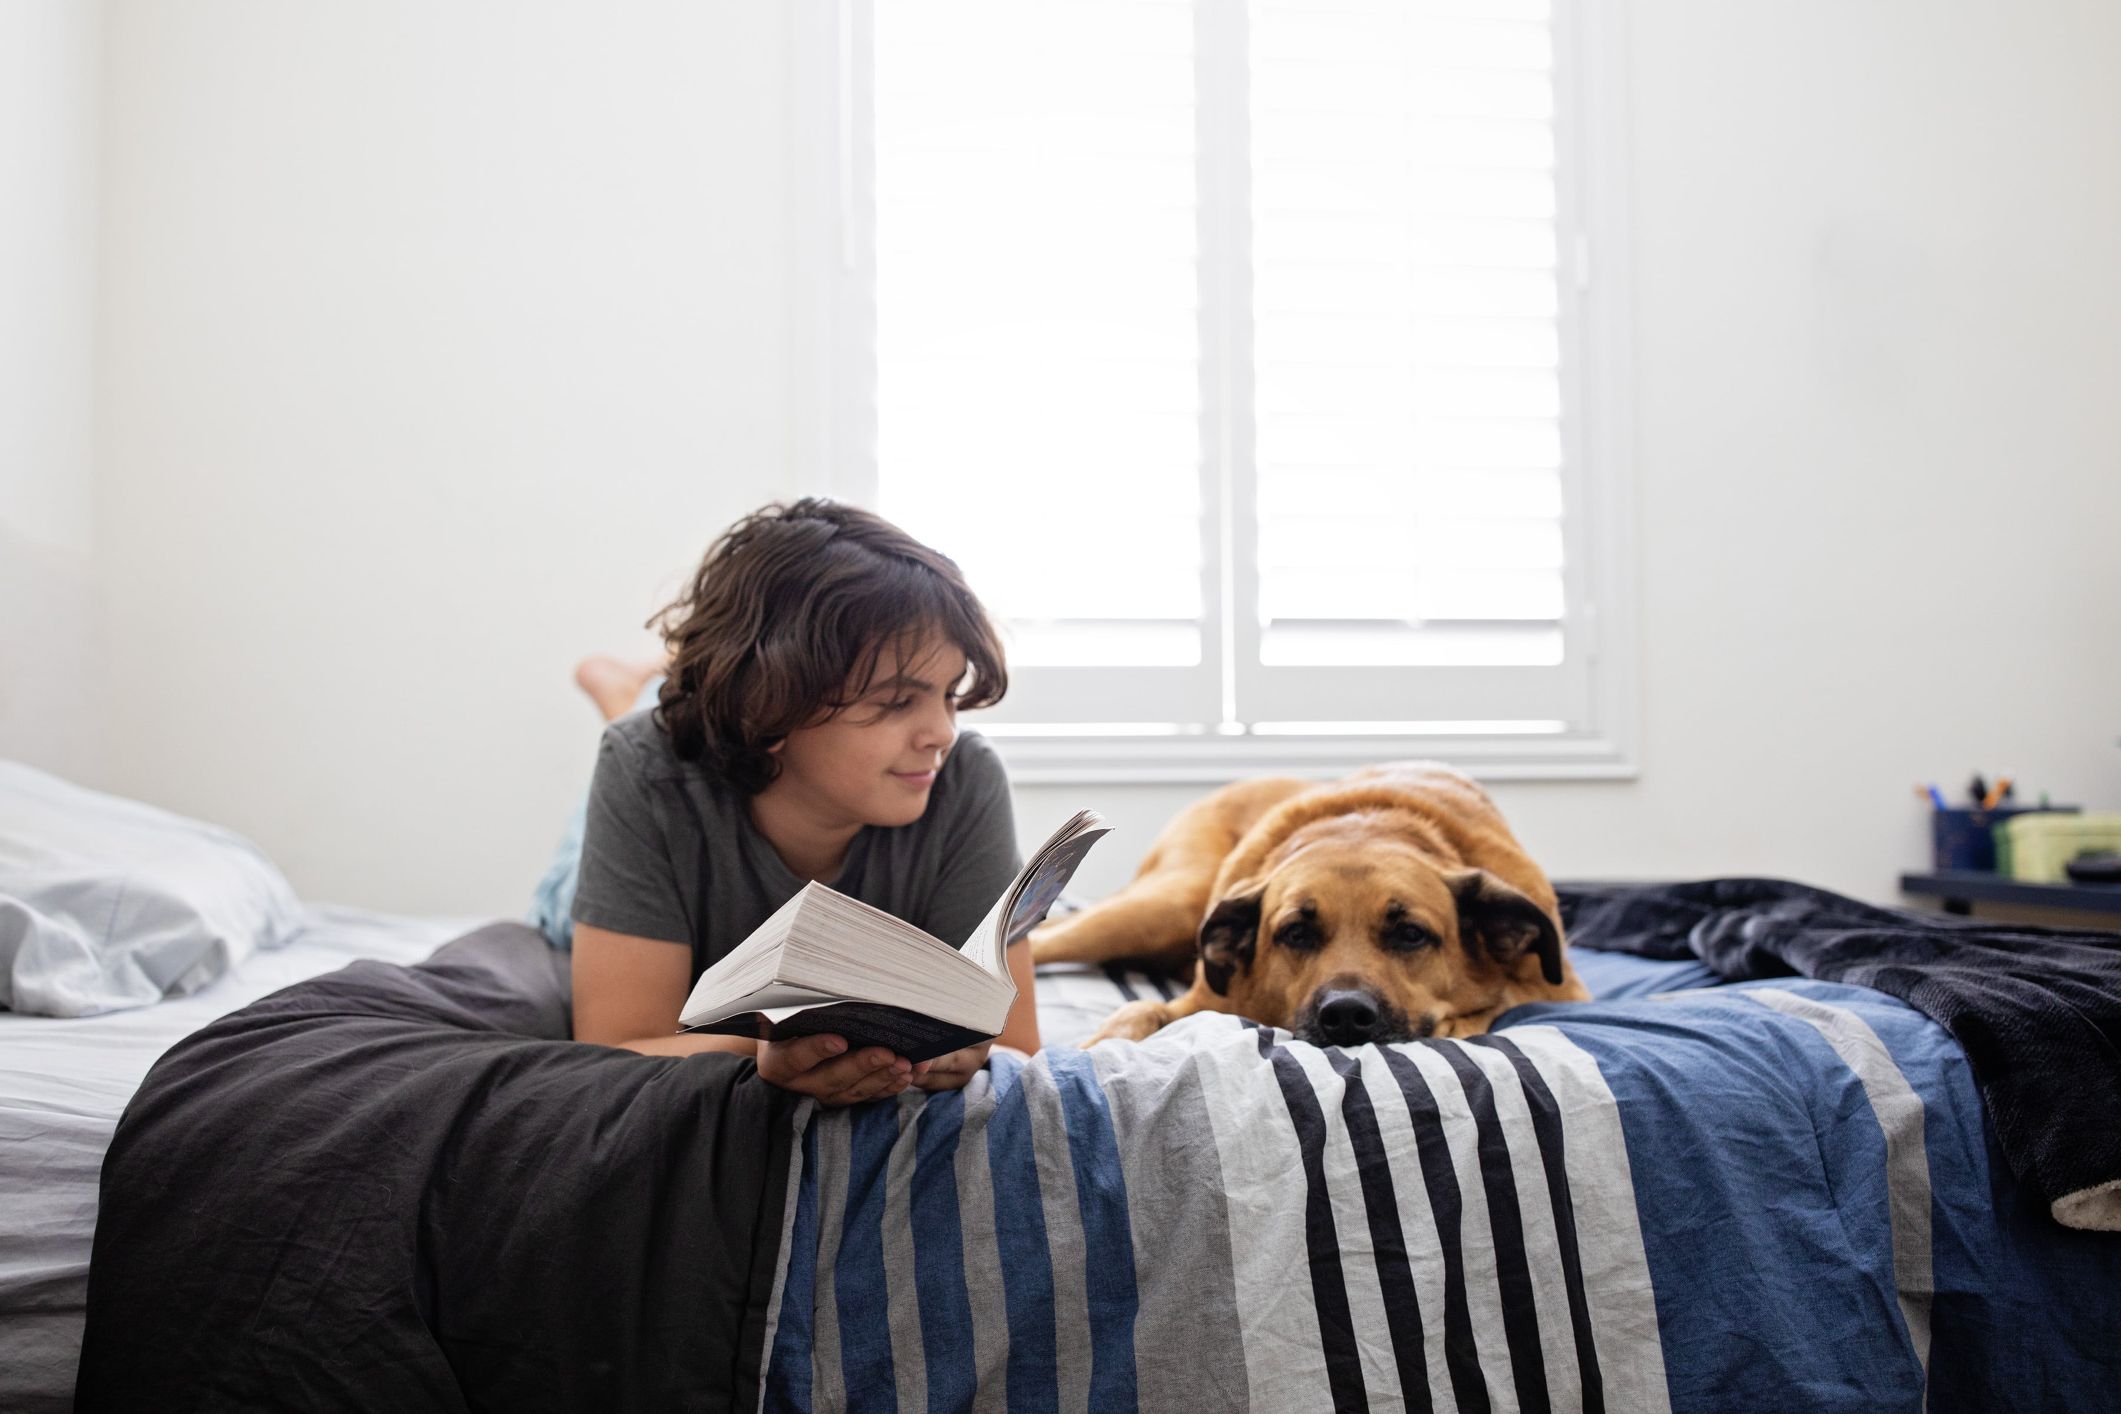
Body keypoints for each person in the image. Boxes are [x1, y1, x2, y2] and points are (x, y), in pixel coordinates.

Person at [540, 498, 1035, 1108]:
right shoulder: (645, 770)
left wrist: (964, 1052)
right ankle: (625, 693)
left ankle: (659, 682)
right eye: (898, 702)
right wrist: (763, 1054)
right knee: (577, 866)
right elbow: (618, 1046)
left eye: (949, 695)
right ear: (770, 707)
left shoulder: (962, 778)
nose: (942, 732)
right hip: (669, 786)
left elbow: (1019, 1048)